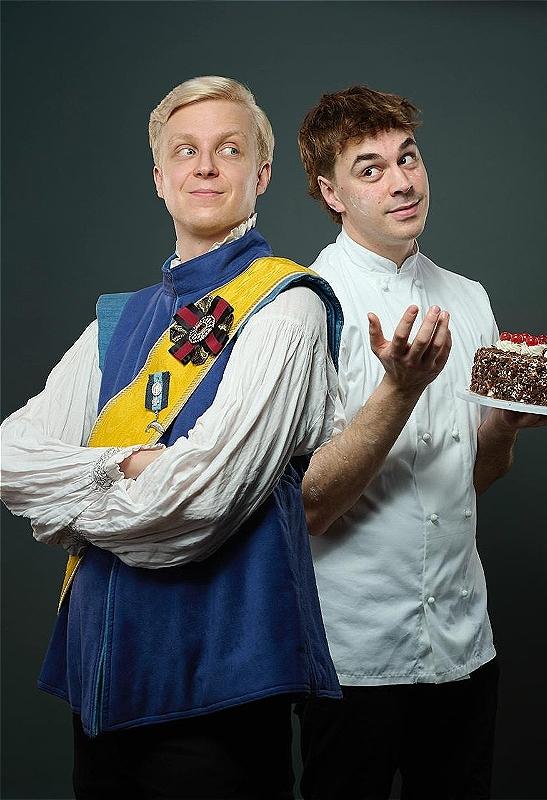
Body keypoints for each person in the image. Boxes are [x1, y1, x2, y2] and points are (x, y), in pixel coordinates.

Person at [0, 75, 344, 800]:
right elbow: (8, 457)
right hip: (99, 684)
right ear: (161, 179)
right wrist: (127, 463)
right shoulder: (116, 320)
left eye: (229, 148)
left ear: (262, 172)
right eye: (185, 151)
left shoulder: (288, 309)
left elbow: (195, 508)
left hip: (218, 695)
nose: (206, 166)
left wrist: (66, 506)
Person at [295, 85, 547, 800]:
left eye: (408, 157)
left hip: (467, 646)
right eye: (371, 167)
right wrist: (400, 390)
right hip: (354, 656)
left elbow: (473, 478)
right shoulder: (306, 306)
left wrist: (504, 424)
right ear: (331, 192)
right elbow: (309, 505)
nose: (403, 181)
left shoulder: (469, 298)